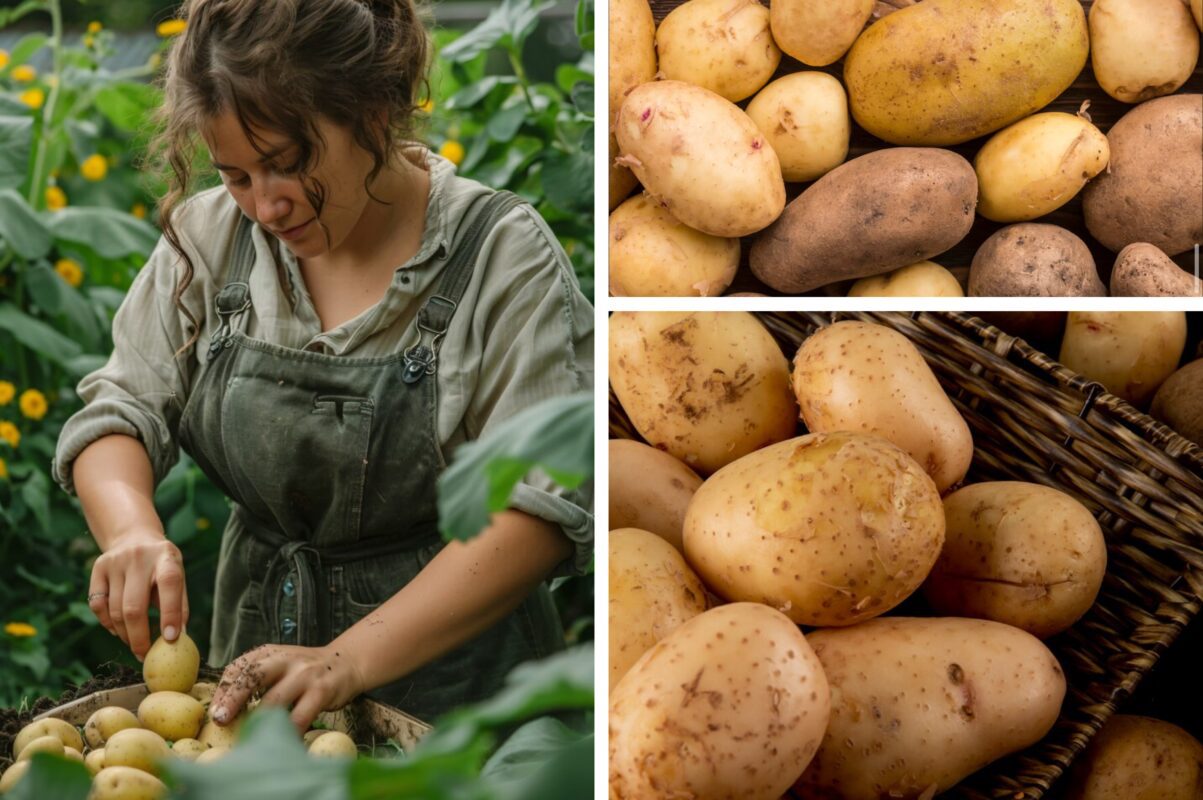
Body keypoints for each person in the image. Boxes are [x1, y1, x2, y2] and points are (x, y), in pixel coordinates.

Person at [52, 0, 593, 731]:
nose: (265, 206)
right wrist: (130, 531)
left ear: (374, 112)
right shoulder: (211, 239)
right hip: (256, 668)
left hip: (467, 697)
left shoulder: (499, 254)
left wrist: (347, 661)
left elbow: (541, 512)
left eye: (287, 164)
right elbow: (122, 409)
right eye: (236, 175)